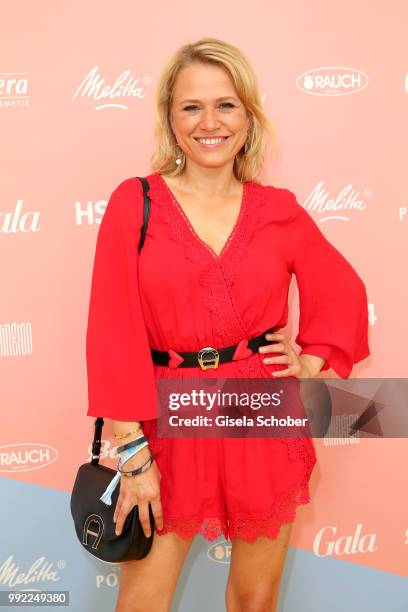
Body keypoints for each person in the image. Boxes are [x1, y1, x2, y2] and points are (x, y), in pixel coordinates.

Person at [85, 37, 370, 612]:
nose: (209, 122)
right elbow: (111, 333)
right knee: (142, 600)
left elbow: (344, 292)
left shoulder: (279, 211)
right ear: (169, 116)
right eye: (192, 106)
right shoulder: (133, 202)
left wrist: (310, 362)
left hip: (258, 413)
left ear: (248, 116)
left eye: (226, 105)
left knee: (255, 600)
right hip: (164, 420)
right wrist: (134, 457)